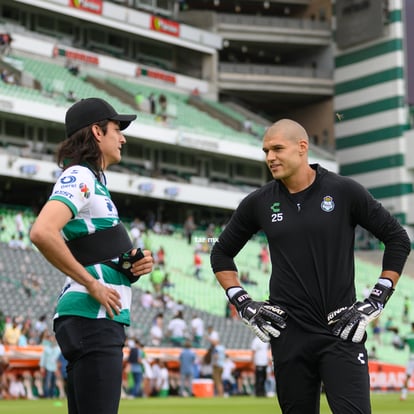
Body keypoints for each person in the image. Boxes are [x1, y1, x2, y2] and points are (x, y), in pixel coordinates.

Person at [210, 118, 411, 413]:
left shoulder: (344, 191)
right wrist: (242, 303)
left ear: (302, 148)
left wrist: (377, 299)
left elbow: (397, 239)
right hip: (288, 336)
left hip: (341, 330)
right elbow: (221, 253)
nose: (270, 157)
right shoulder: (258, 202)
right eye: (266, 151)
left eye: (277, 149)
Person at [29, 97, 154, 414]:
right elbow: (42, 231)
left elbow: (87, 247)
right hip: (92, 316)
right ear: (97, 132)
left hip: (92, 318)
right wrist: (93, 283)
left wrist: (129, 265)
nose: (122, 137)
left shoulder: (95, 180)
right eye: (117, 129)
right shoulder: (80, 176)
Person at [400, 322, 414, 401]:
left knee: (408, 377)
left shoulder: (408, 335)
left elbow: (402, 345)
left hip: (411, 358)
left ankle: (403, 395)